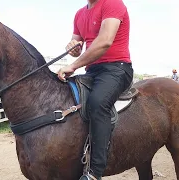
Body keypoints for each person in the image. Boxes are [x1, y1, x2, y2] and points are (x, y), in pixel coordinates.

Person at [57, 0, 133, 179]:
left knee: (97, 103)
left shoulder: (113, 3)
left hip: (117, 68)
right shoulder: (79, 14)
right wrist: (73, 47)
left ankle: (95, 172)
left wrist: (73, 65)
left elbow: (105, 41)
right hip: (92, 70)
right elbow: (77, 43)